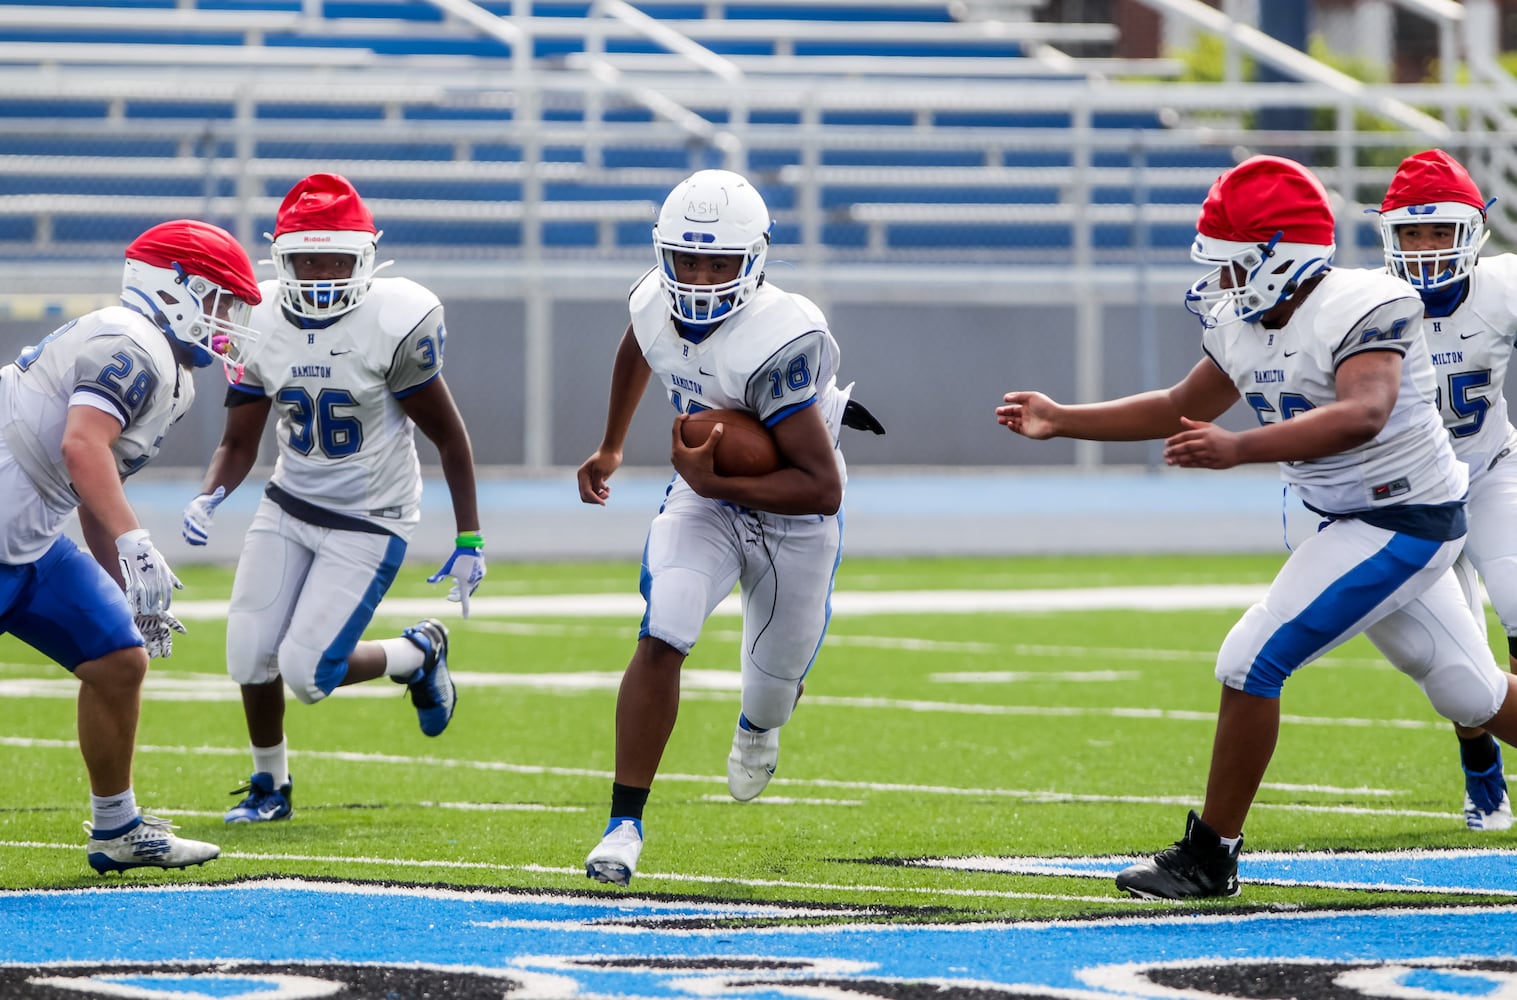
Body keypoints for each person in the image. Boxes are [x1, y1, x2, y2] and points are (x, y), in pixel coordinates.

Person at [997, 154, 1517, 900]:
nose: (1219, 283)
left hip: (1403, 517)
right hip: (1352, 517)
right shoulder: (1245, 325)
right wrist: (1063, 418)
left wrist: (1242, 449)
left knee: (1249, 661)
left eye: (1233, 266)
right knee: (1471, 695)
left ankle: (1210, 855)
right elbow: (1180, 402)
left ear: (1279, 259)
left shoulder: (1362, 303)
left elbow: (1362, 412)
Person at [576, 168, 884, 887]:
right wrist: (613, 443)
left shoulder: (778, 337)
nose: (703, 276)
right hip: (703, 504)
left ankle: (760, 725)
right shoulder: (654, 302)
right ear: (664, 256)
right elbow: (638, 348)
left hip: (791, 521)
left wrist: (715, 476)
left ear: (754, 258)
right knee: (664, 631)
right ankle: (624, 824)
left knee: (771, 688)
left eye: (720, 261)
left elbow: (822, 488)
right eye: (688, 259)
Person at [180, 172, 484, 824]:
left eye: (336, 258)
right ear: (280, 259)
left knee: (308, 672)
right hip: (288, 502)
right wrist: (209, 495)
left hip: (369, 518)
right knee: (247, 650)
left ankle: (417, 653)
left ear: (366, 258)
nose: (321, 272)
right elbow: (238, 443)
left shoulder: (393, 321)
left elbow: (450, 438)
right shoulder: (258, 320)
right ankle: (270, 787)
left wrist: (469, 537)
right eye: (306, 257)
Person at [0, 219, 260, 872]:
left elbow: (94, 480)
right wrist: (138, 545)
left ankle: (117, 828)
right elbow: (80, 446)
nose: (228, 318)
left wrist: (127, 583)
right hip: (12, 508)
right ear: (176, 287)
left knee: (118, 655)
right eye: (220, 299)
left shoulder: (167, 368)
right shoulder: (133, 340)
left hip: (28, 529)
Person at [1376, 149, 1517, 832]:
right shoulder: (1366, 303)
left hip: (1490, 472)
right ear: (1389, 237)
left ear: (1471, 231)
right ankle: (1481, 771)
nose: (1426, 248)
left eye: (1439, 232)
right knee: (1462, 669)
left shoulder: (1502, 287)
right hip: (1415, 494)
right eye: (1411, 233)